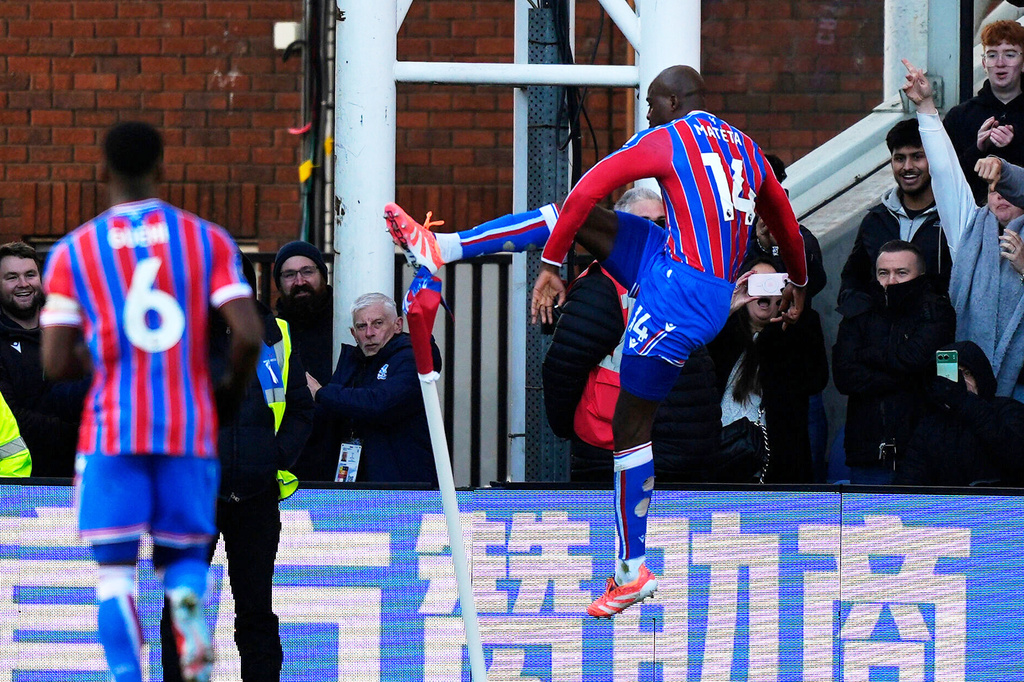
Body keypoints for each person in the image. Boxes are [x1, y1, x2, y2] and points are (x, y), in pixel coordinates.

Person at [384, 64, 808, 617]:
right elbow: (786, 224)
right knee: (574, 216)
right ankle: (443, 247)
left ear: (674, 100)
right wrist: (796, 281)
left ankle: (632, 571)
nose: (647, 113)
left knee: (630, 428)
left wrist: (552, 264)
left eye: (652, 103)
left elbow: (590, 184)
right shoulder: (747, 149)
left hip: (680, 299)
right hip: (674, 267)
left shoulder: (670, 136)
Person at [39, 121, 263, 682]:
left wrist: (107, 360)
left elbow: (54, 363)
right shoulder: (205, 238)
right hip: (188, 429)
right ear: (163, 166)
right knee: (185, 566)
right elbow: (251, 334)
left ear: (102, 171)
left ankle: (124, 675)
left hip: (112, 432)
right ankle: (195, 650)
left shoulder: (74, 251)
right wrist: (227, 395)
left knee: (114, 575)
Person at [160, 257, 314, 682]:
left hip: (257, 497)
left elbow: (301, 408)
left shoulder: (275, 334)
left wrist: (274, 457)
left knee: (256, 610)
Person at [542, 187, 721, 482]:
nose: (654, 230)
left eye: (662, 222)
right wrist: (574, 432)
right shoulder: (602, 287)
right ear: (621, 231)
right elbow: (562, 369)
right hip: (621, 456)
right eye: (643, 221)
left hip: (683, 458)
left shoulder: (683, 279)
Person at [904, 59, 1024, 399]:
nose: (999, 195)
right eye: (992, 187)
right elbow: (945, 174)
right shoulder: (971, 228)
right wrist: (926, 106)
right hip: (968, 383)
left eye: (1007, 187)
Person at [832, 240, 956, 484]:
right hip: (868, 454)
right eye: (883, 273)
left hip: (925, 453)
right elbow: (845, 377)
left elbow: (915, 360)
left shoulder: (937, 310)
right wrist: (908, 375)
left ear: (920, 274)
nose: (891, 281)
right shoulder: (857, 311)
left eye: (901, 273)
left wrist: (867, 356)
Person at [707, 260, 829, 483]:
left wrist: (795, 319)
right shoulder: (721, 332)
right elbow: (691, 360)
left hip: (780, 465)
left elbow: (815, 380)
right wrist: (726, 310)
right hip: (723, 458)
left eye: (772, 285)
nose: (764, 292)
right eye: (756, 284)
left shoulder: (796, 333)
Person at [305, 292, 440, 484]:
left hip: (403, 486)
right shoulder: (353, 363)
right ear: (353, 333)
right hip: (356, 482)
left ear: (398, 325)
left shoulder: (412, 357)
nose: (369, 333)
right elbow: (329, 417)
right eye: (362, 326)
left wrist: (321, 393)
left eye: (378, 323)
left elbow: (381, 403)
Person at [838, 120, 950, 305]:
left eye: (917, 157)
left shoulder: (952, 218)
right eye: (899, 158)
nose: (907, 167)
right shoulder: (875, 220)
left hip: (936, 329)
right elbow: (852, 279)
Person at [0, 241, 87, 477]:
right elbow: (13, 418)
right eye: (11, 277)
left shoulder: (69, 331)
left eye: (30, 274)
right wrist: (78, 432)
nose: (23, 284)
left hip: (80, 474)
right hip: (25, 483)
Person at [895, 340, 1024, 486]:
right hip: (950, 507)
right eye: (951, 375)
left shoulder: (1008, 410)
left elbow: (1017, 456)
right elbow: (908, 484)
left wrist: (964, 401)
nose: (959, 382)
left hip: (1001, 505)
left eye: (966, 373)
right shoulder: (929, 426)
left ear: (981, 377)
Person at [273, 240, 336, 481]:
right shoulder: (272, 333)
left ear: (323, 274)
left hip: (341, 455)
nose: (300, 282)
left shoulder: (352, 323)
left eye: (307, 271)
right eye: (289, 275)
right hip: (290, 462)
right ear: (279, 283)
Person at [942, 19, 1024, 202]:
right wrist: (978, 149)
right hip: (973, 220)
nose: (1000, 63)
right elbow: (945, 182)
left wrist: (1015, 144)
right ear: (984, 64)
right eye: (992, 55)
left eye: (1010, 55)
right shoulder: (959, 116)